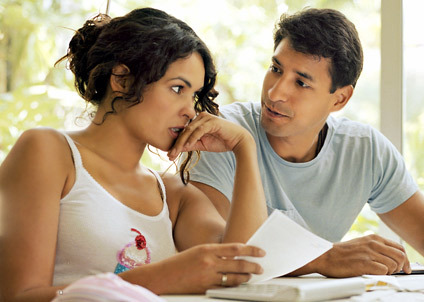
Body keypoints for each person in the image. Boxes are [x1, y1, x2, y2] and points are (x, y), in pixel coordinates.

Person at [0, 7, 268, 301]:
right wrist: (160, 278)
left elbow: (245, 267)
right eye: (177, 88)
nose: (190, 111)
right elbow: (17, 296)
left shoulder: (175, 196)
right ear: (122, 80)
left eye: (194, 95)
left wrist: (245, 149)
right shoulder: (48, 152)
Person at [187, 7, 424, 278]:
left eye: (301, 83)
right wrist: (324, 258)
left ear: (340, 99)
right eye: (275, 69)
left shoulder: (365, 150)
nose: (275, 92)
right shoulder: (222, 136)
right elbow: (215, 256)